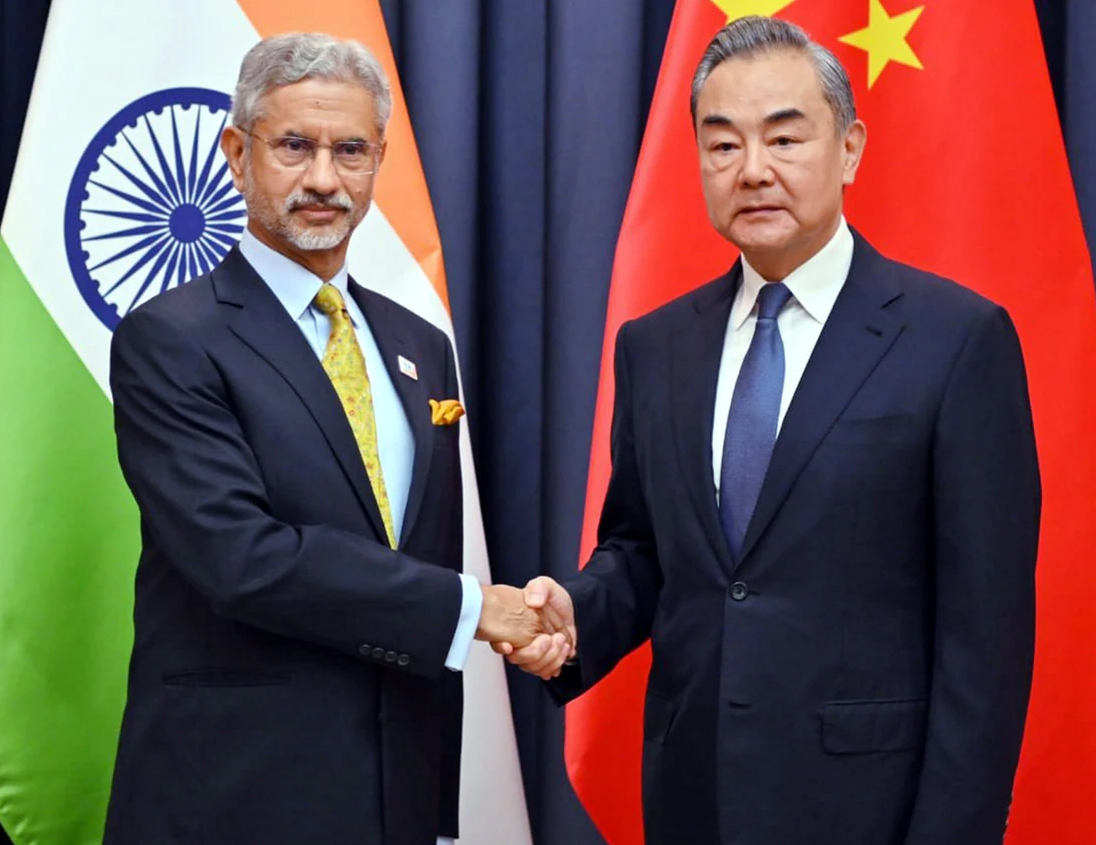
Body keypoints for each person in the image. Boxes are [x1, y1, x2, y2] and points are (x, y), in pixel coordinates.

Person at [502, 16, 1040, 845]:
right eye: (723, 145)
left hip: (870, 809)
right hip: (694, 802)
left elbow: (987, 636)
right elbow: (645, 551)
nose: (753, 169)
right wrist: (575, 614)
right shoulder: (656, 345)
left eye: (785, 139)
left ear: (850, 149)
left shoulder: (957, 341)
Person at [104, 33, 556, 845]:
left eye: (350, 150)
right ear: (237, 154)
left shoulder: (421, 345)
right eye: (294, 146)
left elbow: (414, 551)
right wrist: (472, 608)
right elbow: (242, 559)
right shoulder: (169, 339)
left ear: (379, 159)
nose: (323, 178)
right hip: (234, 799)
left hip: (399, 793)